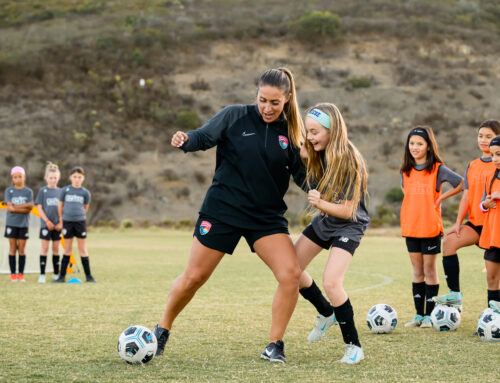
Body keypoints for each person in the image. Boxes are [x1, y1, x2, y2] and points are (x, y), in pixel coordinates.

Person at [154, 68, 306, 363]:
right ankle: (162, 329)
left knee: (291, 275)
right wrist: (186, 139)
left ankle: (275, 345)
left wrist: (328, 192)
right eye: (263, 100)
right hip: (224, 209)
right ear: (256, 94)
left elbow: (303, 177)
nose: (267, 108)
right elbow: (204, 136)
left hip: (265, 217)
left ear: (287, 99)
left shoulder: (291, 133)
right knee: (194, 277)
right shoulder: (235, 116)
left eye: (275, 103)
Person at [295, 103, 369, 364]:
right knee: (289, 269)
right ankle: (326, 312)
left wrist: (319, 202)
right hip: (326, 221)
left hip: (349, 224)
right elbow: (299, 146)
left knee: (331, 282)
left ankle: (354, 347)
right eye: (308, 131)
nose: (310, 137)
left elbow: (349, 211)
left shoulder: (350, 159)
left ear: (332, 130)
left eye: (315, 131)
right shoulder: (317, 151)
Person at [433, 120, 500, 310]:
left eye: (489, 136)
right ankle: (455, 295)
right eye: (481, 136)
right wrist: (457, 222)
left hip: (494, 225)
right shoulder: (472, 165)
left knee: (493, 275)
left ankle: (493, 314)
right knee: (449, 242)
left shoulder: (498, 164)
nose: (484, 140)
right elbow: (466, 197)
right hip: (477, 223)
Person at [400, 126, 463, 328]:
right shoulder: (405, 170)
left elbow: (461, 183)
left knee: (429, 270)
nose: (415, 147)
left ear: (428, 146)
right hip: (411, 228)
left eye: (420, 143)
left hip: (430, 228)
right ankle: (419, 315)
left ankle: (430, 315)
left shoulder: (438, 168)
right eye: (412, 143)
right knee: (417, 271)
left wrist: (441, 197)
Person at [53, 167, 96, 283]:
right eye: (75, 177)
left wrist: (79, 216)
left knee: (83, 249)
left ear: (83, 178)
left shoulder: (85, 193)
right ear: (70, 177)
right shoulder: (65, 190)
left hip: (80, 223)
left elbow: (85, 208)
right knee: (67, 250)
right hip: (67, 222)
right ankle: (61, 277)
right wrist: (61, 220)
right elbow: (60, 206)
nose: (77, 179)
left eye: (79, 177)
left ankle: (89, 276)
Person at [478, 135, 500, 314]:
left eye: (499, 154)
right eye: (493, 155)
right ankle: (492, 319)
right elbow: (482, 205)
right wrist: (485, 204)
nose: (495, 159)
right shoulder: (491, 176)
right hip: (492, 235)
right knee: (492, 279)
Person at [4, 166, 34, 282]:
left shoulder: (28, 191)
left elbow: (29, 208)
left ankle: (20, 274)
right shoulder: (9, 191)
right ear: (12, 179)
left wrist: (15, 207)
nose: (18, 179)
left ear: (24, 177)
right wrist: (24, 205)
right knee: (12, 248)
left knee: (21, 250)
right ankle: (13, 274)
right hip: (11, 224)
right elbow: (9, 209)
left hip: (23, 225)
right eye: (15, 177)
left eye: (20, 176)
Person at [35, 162, 63, 283]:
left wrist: (60, 223)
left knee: (56, 250)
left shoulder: (61, 191)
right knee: (44, 248)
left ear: (58, 178)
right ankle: (42, 274)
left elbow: (63, 209)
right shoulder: (43, 191)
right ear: (46, 178)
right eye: (51, 178)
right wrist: (47, 221)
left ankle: (56, 274)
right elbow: (39, 208)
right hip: (46, 225)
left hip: (57, 226)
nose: (53, 180)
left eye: (55, 178)